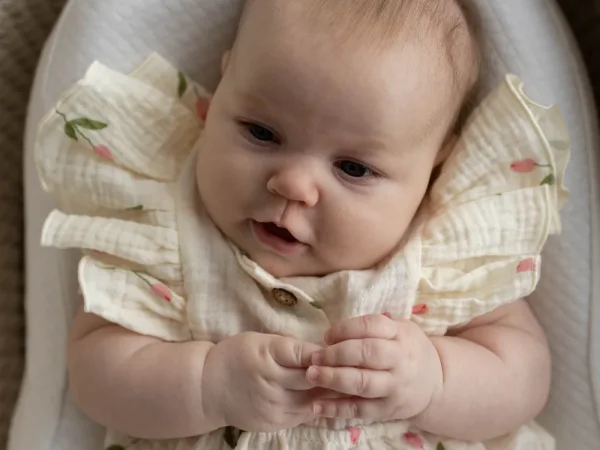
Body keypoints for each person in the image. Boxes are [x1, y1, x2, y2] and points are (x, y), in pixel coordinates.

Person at [35, 0, 570, 448]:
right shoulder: (166, 232)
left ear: (433, 167)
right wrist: (207, 385)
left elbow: (523, 376)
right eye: (261, 132)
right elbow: (93, 372)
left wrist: (434, 379)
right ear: (220, 91)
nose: (293, 184)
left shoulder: (445, 260)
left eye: (353, 168)